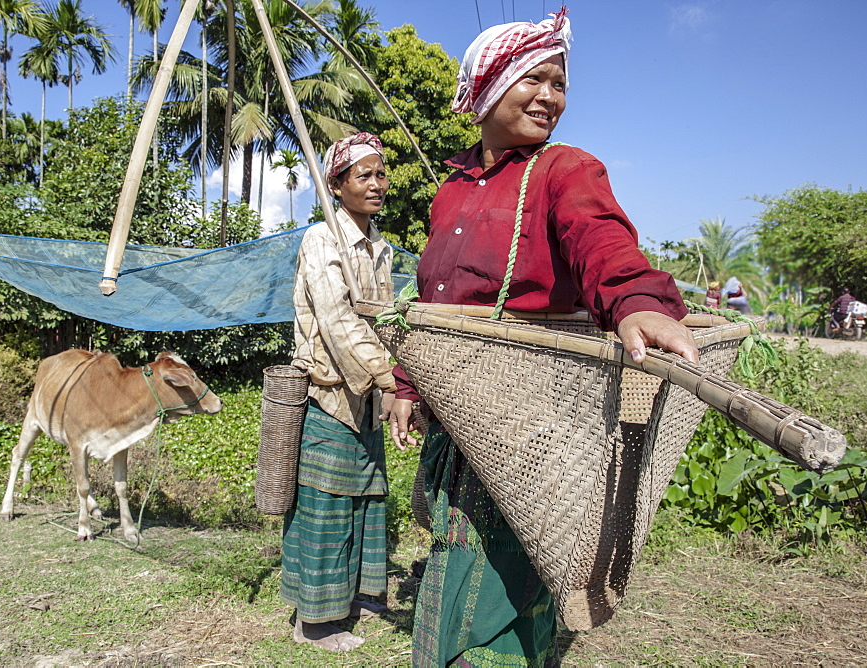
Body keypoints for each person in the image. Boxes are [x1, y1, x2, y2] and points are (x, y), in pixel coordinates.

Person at [388, 11, 699, 666]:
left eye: (558, 82)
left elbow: (603, 244)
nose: (550, 96)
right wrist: (408, 385)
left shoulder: (564, 171)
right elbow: (434, 303)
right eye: (532, 78)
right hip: (459, 425)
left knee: (508, 584)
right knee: (454, 563)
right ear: (487, 83)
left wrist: (635, 303)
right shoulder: (452, 192)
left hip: (531, 433)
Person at [280, 132, 397, 652]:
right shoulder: (321, 240)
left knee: (364, 500)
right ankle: (315, 622)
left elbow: (385, 321)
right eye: (363, 175)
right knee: (325, 508)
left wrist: (400, 376)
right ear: (338, 185)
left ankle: (354, 598)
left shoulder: (380, 247)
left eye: (381, 173)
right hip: (329, 394)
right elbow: (334, 319)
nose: (376, 183)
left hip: (367, 397)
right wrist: (386, 376)